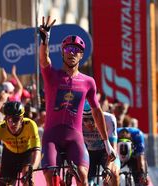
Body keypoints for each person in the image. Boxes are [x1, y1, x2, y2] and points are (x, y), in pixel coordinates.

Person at [39, 16, 116, 185]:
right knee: (51, 177)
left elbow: (96, 111)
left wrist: (107, 143)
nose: (72, 53)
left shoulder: (89, 82)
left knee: (82, 177)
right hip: (52, 136)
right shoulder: (52, 75)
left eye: (76, 50)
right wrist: (45, 40)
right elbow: (44, 60)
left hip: (75, 137)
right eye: (68, 49)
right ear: (62, 52)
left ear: (82, 55)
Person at [0, 101, 41, 186]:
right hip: (9, 156)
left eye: (15, 119)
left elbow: (37, 151)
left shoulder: (30, 125)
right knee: (5, 184)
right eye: (8, 119)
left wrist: (32, 168)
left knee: (27, 180)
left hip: (26, 154)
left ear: (22, 118)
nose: (11, 123)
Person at [82, 100, 120, 185]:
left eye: (92, 119)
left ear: (98, 115)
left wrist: (108, 168)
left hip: (105, 152)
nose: (89, 123)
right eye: (85, 119)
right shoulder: (78, 121)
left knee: (114, 174)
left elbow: (113, 148)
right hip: (89, 153)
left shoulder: (109, 119)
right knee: (82, 178)